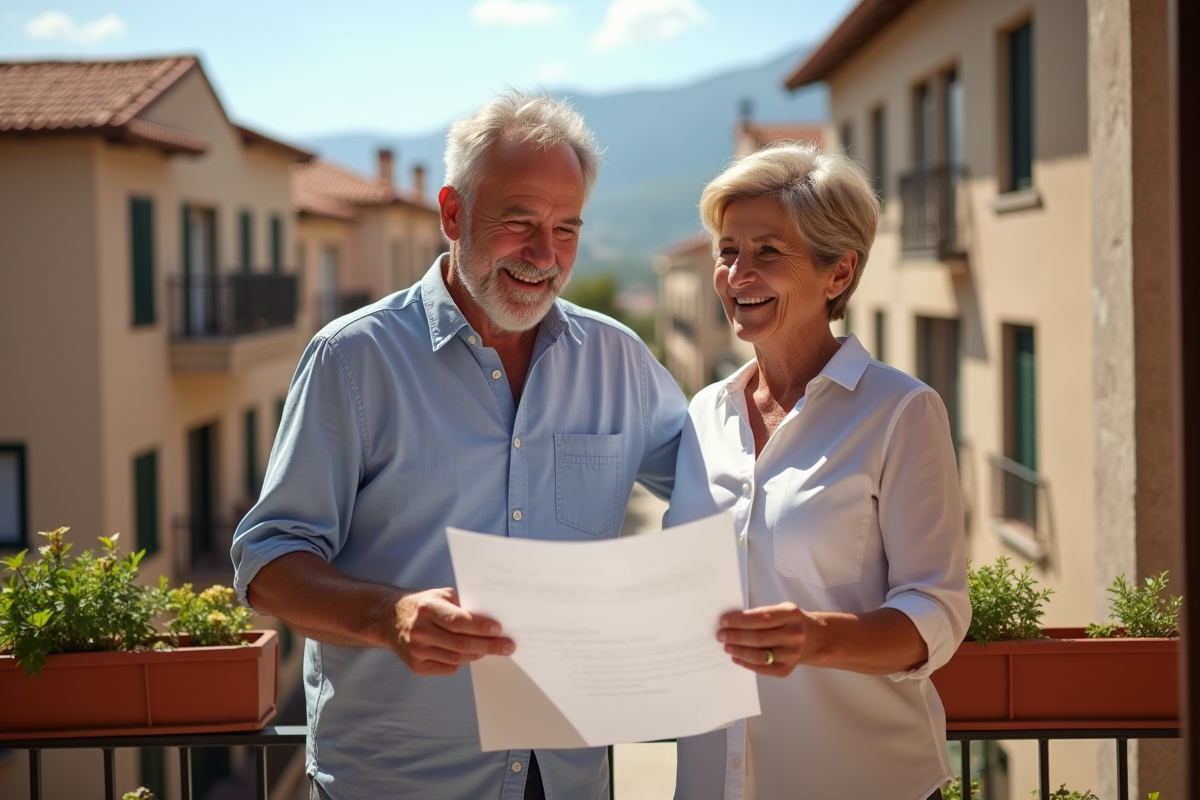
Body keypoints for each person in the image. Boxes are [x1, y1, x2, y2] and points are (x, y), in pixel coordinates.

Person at [231, 91, 687, 800]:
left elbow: (721, 491)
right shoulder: (353, 360)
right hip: (394, 785)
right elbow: (266, 561)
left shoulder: (620, 359)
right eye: (520, 222)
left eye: (566, 228)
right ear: (452, 214)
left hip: (566, 780)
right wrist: (388, 617)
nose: (545, 255)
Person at [666, 143, 971, 800]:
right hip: (712, 783)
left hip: (860, 781)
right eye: (727, 251)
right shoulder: (704, 414)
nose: (737, 273)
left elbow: (937, 610)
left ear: (839, 274)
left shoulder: (901, 411)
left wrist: (816, 638)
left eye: (768, 252)